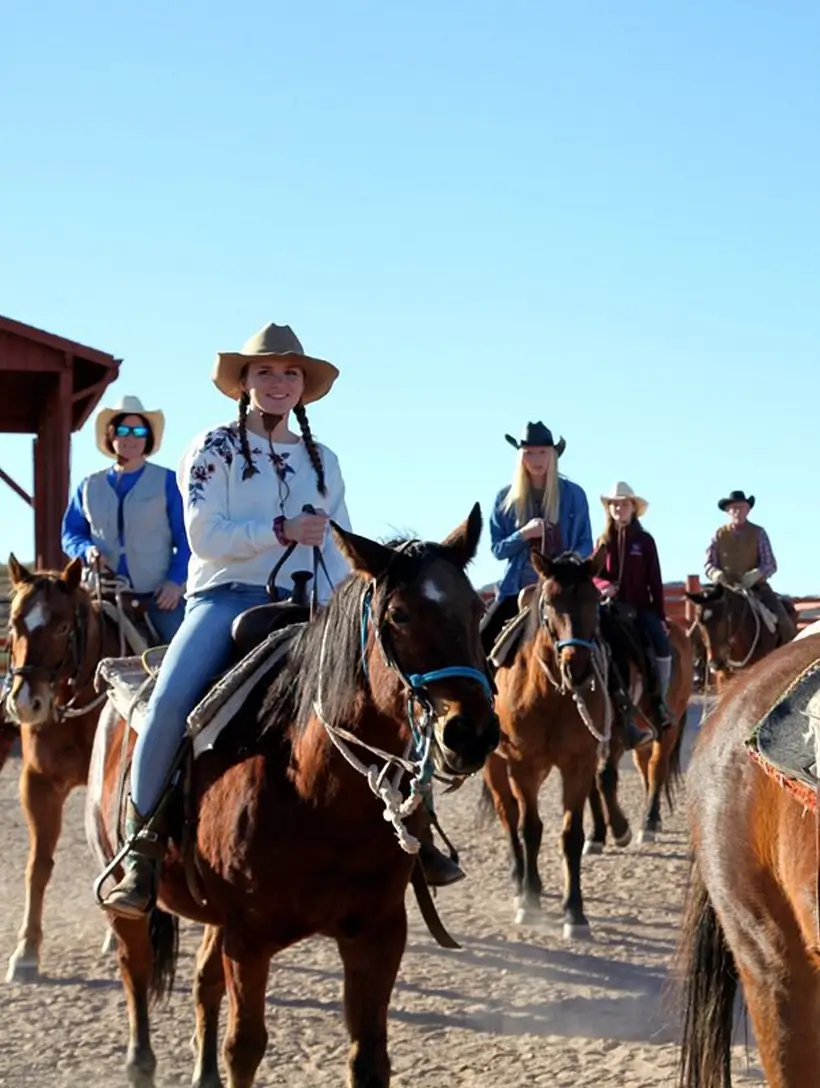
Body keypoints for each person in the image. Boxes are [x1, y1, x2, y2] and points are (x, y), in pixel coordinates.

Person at [100, 322, 457, 918]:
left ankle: (418, 833)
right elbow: (201, 536)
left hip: (317, 606)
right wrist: (279, 531)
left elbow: (342, 549)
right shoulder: (212, 447)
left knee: (395, 692)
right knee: (167, 704)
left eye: (290, 373)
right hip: (225, 598)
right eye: (265, 371)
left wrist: (353, 606)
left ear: (303, 386)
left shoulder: (324, 459)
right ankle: (140, 850)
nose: (278, 382)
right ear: (244, 381)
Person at [61, 395, 190, 644]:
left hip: (157, 596)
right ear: (111, 435)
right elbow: (70, 533)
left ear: (148, 437)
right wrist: (86, 551)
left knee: (184, 650)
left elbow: (187, 538)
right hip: (101, 593)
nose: (131, 437)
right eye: (123, 430)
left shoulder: (168, 482)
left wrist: (175, 583)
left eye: (139, 431)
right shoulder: (89, 485)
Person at [481, 421, 593, 655]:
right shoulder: (505, 498)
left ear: (553, 455)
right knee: (481, 640)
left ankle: (615, 689)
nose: (536, 459)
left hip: (565, 589)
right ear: (521, 457)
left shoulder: (574, 494)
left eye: (542, 452)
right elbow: (497, 549)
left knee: (604, 636)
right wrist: (524, 534)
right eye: (529, 453)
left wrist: (567, 560)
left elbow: (586, 544)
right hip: (517, 588)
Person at [594, 482, 670, 747]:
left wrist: (659, 616)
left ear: (632, 508)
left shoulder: (645, 541)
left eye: (623, 504)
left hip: (640, 610)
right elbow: (594, 574)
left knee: (661, 645)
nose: (618, 508)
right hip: (611, 610)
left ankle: (660, 701)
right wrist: (605, 587)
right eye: (614, 504)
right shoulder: (602, 541)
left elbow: (655, 580)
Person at [704, 489, 797, 643]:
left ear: (748, 510)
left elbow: (770, 563)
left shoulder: (758, 533)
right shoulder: (718, 534)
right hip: (726, 589)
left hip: (756, 588)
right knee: (705, 618)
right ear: (728, 511)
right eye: (734, 508)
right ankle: (699, 661)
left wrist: (756, 575)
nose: (738, 511)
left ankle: (791, 656)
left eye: (741, 507)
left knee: (783, 621)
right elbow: (708, 563)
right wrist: (715, 574)